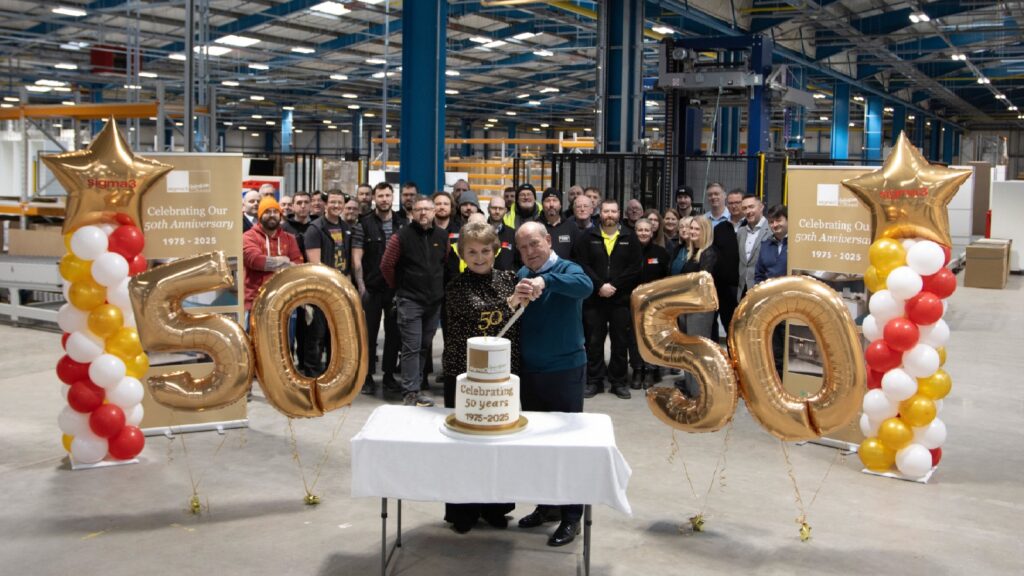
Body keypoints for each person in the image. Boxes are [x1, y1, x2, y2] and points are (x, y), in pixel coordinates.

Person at [512, 221, 593, 548]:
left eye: (534, 244)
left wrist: (546, 279)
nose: (529, 252)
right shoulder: (521, 275)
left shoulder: (568, 269)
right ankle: (547, 505)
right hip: (531, 371)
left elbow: (584, 287)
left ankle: (572, 516)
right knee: (539, 446)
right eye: (523, 247)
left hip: (565, 370)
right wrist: (515, 297)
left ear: (548, 240)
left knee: (567, 446)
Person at [441, 221, 521, 533]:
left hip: (503, 375)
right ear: (461, 254)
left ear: (495, 250)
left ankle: (496, 507)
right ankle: (463, 511)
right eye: (471, 252)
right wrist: (512, 302)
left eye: (485, 251)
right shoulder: (456, 287)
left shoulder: (509, 278)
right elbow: (481, 314)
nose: (479, 257)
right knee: (464, 444)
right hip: (464, 375)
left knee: (501, 441)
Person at [381, 196, 448, 407]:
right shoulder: (400, 237)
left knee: (423, 347)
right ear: (411, 212)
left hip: (433, 301)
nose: (423, 213)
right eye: (418, 209)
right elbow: (386, 266)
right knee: (411, 347)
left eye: (427, 209)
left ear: (434, 211)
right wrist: (399, 287)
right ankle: (410, 392)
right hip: (410, 300)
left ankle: (416, 387)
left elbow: (443, 263)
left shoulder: (442, 235)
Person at [572, 199, 642, 400]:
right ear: (599, 213)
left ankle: (618, 382)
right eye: (606, 211)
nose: (609, 215)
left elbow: (635, 267)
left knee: (620, 342)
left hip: (620, 300)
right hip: (594, 298)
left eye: (613, 211)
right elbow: (582, 264)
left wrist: (615, 286)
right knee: (594, 341)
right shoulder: (587, 237)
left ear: (619, 213)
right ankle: (595, 381)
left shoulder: (630, 237)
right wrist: (599, 285)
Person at [353, 182, 406, 396]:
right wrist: (362, 287)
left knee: (394, 335)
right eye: (380, 196)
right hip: (372, 289)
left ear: (393, 197)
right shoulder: (363, 224)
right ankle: (366, 377)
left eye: (387, 195)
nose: (384, 199)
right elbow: (357, 259)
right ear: (374, 198)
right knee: (368, 335)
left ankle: (388, 376)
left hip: (394, 289)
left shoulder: (402, 223)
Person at [301, 190, 352, 376]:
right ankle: (312, 375)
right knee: (317, 335)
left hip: (340, 290)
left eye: (340, 202)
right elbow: (316, 265)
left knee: (336, 335)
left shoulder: (346, 227)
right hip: (321, 291)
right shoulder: (315, 229)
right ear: (325, 203)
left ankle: (332, 373)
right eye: (333, 202)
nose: (336, 206)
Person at [677, 217, 717, 397]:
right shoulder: (693, 253)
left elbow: (702, 283)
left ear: (705, 231)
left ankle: (699, 392)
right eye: (691, 229)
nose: (692, 232)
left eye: (696, 229)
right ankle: (691, 387)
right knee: (688, 351)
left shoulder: (709, 253)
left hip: (699, 311)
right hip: (686, 308)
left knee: (698, 353)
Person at [242, 196, 302, 313]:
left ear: (280, 215)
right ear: (260, 216)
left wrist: (273, 263)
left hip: (285, 302)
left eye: (275, 212)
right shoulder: (248, 236)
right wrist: (285, 261)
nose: (272, 215)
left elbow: (298, 265)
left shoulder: (289, 238)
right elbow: (255, 261)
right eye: (267, 212)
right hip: (256, 303)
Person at [629, 218, 669, 387]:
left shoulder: (661, 253)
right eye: (640, 230)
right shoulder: (628, 252)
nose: (643, 233)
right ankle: (637, 370)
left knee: (652, 337)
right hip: (632, 303)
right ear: (635, 232)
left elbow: (667, 279)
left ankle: (651, 370)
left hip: (654, 305)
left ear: (652, 232)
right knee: (634, 338)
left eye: (646, 230)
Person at [755, 205, 788, 375]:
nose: (775, 225)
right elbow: (759, 274)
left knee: (788, 347)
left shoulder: (798, 243)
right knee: (773, 348)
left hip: (790, 306)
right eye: (771, 222)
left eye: (779, 220)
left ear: (788, 220)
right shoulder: (766, 245)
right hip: (770, 305)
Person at [737, 194, 769, 299]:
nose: (748, 211)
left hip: (764, 290)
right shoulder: (741, 232)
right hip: (743, 290)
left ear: (761, 207)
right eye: (744, 208)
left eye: (751, 207)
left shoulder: (771, 230)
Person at [539, 188, 578, 259]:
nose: (551, 205)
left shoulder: (571, 227)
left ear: (560, 205)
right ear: (542, 205)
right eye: (547, 201)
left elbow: (577, 256)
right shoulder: (535, 226)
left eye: (555, 200)